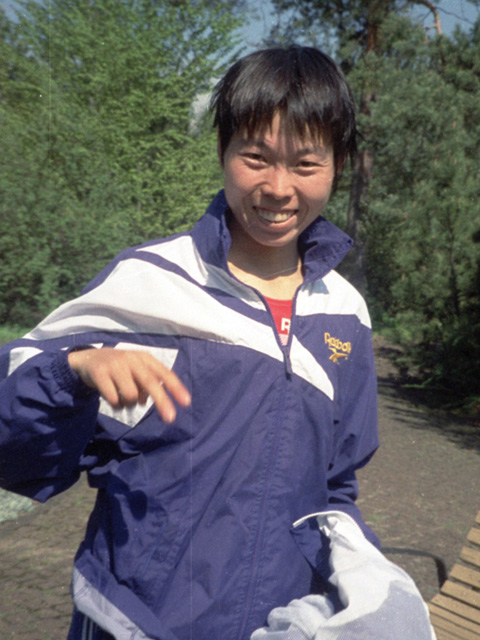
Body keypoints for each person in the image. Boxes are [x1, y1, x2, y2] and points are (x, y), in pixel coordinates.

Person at [0, 46, 380, 640]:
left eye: (306, 164)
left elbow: (336, 487)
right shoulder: (150, 282)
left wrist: (363, 586)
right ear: (223, 150)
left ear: (338, 165)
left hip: (279, 628)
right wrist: (73, 370)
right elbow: (12, 443)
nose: (278, 188)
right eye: (255, 157)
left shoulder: (345, 316)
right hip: (133, 623)